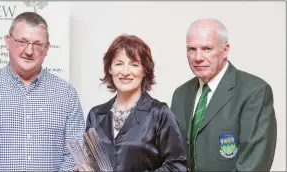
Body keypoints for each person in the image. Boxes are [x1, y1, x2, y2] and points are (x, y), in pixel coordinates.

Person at [0, 12, 85, 171]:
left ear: (47, 49)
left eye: (38, 44)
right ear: (8, 41)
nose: (29, 51)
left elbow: (76, 154)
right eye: (22, 42)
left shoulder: (67, 94)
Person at [170, 18, 277, 172]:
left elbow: (253, 165)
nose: (198, 57)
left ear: (225, 50)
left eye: (207, 48)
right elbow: (174, 156)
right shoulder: (180, 94)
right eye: (191, 49)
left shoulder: (255, 92)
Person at [85, 34, 187, 171]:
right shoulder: (95, 116)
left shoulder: (159, 114)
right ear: (110, 68)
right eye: (119, 64)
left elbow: (177, 166)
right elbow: (90, 163)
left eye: (134, 64)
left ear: (145, 70)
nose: (125, 72)